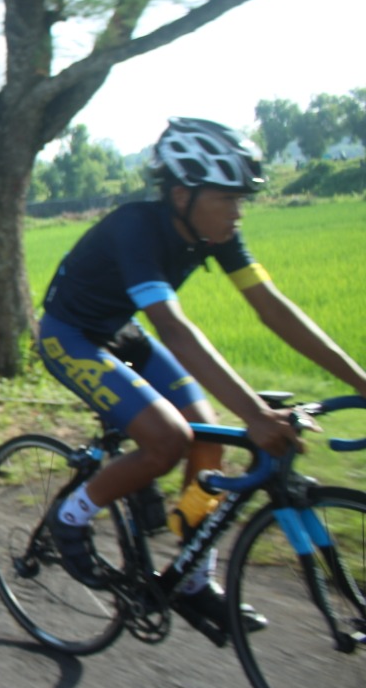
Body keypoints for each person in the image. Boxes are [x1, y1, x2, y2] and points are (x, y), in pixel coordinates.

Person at [37, 117, 366, 636]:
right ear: (181, 195)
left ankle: (192, 577)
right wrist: (256, 415)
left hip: (120, 332)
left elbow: (272, 309)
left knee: (208, 438)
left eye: (241, 199)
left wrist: (360, 381)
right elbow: (173, 328)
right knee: (169, 440)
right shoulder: (136, 228)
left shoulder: (217, 232)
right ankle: (71, 516)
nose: (238, 211)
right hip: (69, 336)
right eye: (227, 198)